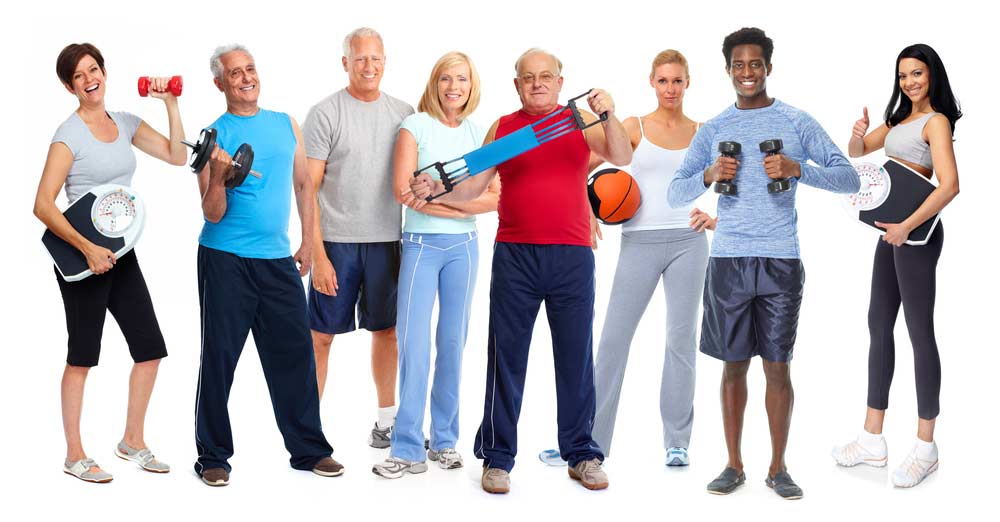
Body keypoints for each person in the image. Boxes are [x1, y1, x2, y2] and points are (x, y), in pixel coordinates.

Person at [409, 47, 632, 493]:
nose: (537, 83)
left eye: (546, 76)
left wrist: (609, 114)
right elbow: (472, 183)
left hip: (571, 256)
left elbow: (622, 155)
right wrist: (436, 190)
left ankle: (582, 453)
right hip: (515, 255)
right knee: (506, 359)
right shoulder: (505, 128)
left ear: (560, 82)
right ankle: (497, 458)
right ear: (517, 84)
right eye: (528, 77)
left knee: (575, 358)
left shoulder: (580, 122)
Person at [667, 27, 860, 500]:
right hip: (729, 260)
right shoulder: (713, 129)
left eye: (755, 64)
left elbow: (849, 176)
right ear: (728, 70)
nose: (747, 72)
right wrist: (711, 173)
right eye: (738, 65)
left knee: (778, 366)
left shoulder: (797, 122)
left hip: (781, 260)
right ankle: (733, 465)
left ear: (768, 68)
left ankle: (778, 468)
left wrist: (798, 170)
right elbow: (675, 191)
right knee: (733, 366)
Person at [538, 49, 716, 468]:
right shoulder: (634, 126)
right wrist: (584, 207)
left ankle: (678, 441)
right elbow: (582, 167)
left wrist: (715, 217)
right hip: (639, 241)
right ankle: (584, 443)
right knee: (613, 341)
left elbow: (738, 182)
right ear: (652, 83)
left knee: (680, 342)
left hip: (688, 241)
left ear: (688, 83)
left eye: (677, 81)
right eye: (663, 81)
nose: (670, 88)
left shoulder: (704, 132)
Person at [34, 43, 186, 483]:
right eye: (79, 76)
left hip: (120, 253)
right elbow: (43, 205)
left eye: (94, 69)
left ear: (104, 73)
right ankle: (75, 455)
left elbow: (178, 156)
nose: (89, 79)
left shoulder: (123, 123)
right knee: (82, 357)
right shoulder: (68, 135)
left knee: (150, 350)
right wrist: (86, 248)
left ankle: (132, 441)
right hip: (82, 259)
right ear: (70, 86)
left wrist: (171, 103)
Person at [193, 43, 342, 487]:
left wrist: (308, 244)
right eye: (234, 73)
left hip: (278, 260)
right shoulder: (212, 136)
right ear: (220, 83)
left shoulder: (285, 124)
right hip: (225, 259)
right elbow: (212, 212)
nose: (245, 78)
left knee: (294, 355)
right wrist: (218, 175)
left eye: (250, 69)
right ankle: (213, 456)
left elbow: (303, 185)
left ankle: (309, 450)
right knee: (220, 357)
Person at [831, 43, 960, 488]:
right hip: (892, 232)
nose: (909, 81)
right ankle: (872, 439)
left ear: (932, 76)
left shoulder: (935, 122)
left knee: (919, 332)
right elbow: (856, 152)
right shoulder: (898, 120)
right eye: (903, 74)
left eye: (917, 73)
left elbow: (950, 186)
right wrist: (858, 131)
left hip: (917, 234)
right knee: (878, 323)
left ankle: (927, 447)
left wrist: (907, 226)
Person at [372, 51, 500, 479]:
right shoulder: (415, 127)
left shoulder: (480, 135)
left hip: (464, 248)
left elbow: (493, 199)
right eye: (446, 78)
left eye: (462, 79)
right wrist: (461, 203)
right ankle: (407, 446)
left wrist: (440, 198)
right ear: (435, 83)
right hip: (421, 246)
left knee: (452, 345)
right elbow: (403, 192)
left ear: (471, 85)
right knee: (414, 345)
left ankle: (444, 441)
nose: (453, 87)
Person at [303, 27, 414, 447]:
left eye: (376, 58)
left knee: (386, 331)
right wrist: (318, 254)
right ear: (345, 62)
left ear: (386, 61)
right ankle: (308, 427)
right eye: (360, 58)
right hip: (336, 242)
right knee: (321, 336)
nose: (369, 67)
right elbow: (307, 189)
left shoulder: (405, 114)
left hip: (387, 241)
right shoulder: (326, 113)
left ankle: (386, 420)